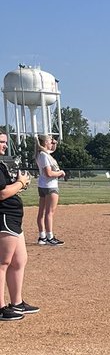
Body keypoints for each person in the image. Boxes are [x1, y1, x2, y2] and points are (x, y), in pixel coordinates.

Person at [0, 131, 38, 319]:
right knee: (2, 262)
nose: (4, 145)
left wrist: (18, 183)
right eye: (1, 142)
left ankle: (17, 302)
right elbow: (1, 193)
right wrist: (21, 184)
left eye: (5, 142)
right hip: (4, 217)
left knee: (19, 260)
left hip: (13, 217)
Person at [35, 135, 66, 246]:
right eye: (49, 141)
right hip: (50, 186)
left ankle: (42, 237)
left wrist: (55, 143)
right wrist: (60, 173)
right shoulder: (44, 155)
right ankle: (50, 237)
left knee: (42, 212)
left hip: (43, 186)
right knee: (49, 213)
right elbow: (49, 173)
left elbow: (52, 149)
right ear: (44, 143)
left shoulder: (43, 154)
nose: (51, 143)